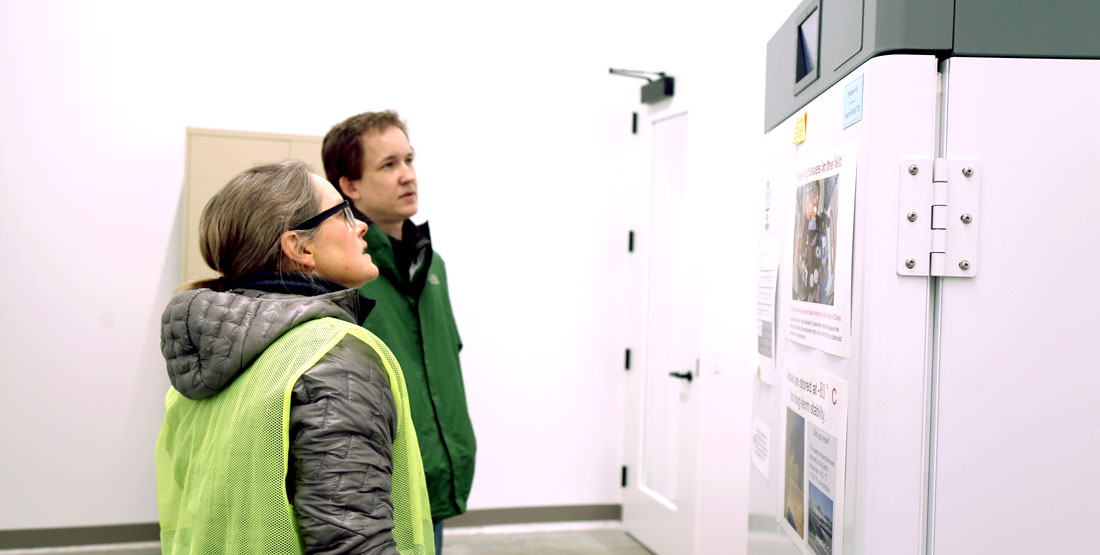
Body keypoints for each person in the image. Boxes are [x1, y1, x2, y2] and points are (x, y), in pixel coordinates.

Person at [154, 160, 434, 554]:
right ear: (300, 247)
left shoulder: (207, 362)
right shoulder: (333, 358)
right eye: (344, 214)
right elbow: (352, 544)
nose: (361, 225)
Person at [322, 111, 475, 553]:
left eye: (409, 160)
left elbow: (444, 362)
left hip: (434, 469)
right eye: (388, 165)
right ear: (349, 185)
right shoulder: (341, 274)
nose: (407, 175)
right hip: (375, 485)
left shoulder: (433, 266)